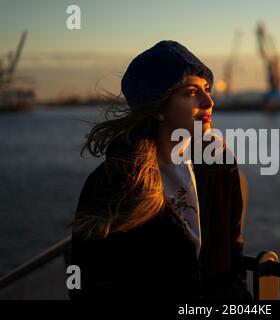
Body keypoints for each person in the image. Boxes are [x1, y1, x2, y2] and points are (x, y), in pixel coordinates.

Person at [67, 40, 252, 300]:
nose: (208, 101)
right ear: (158, 109)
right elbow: (89, 284)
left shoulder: (219, 165)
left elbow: (232, 264)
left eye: (207, 89)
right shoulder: (112, 182)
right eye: (190, 92)